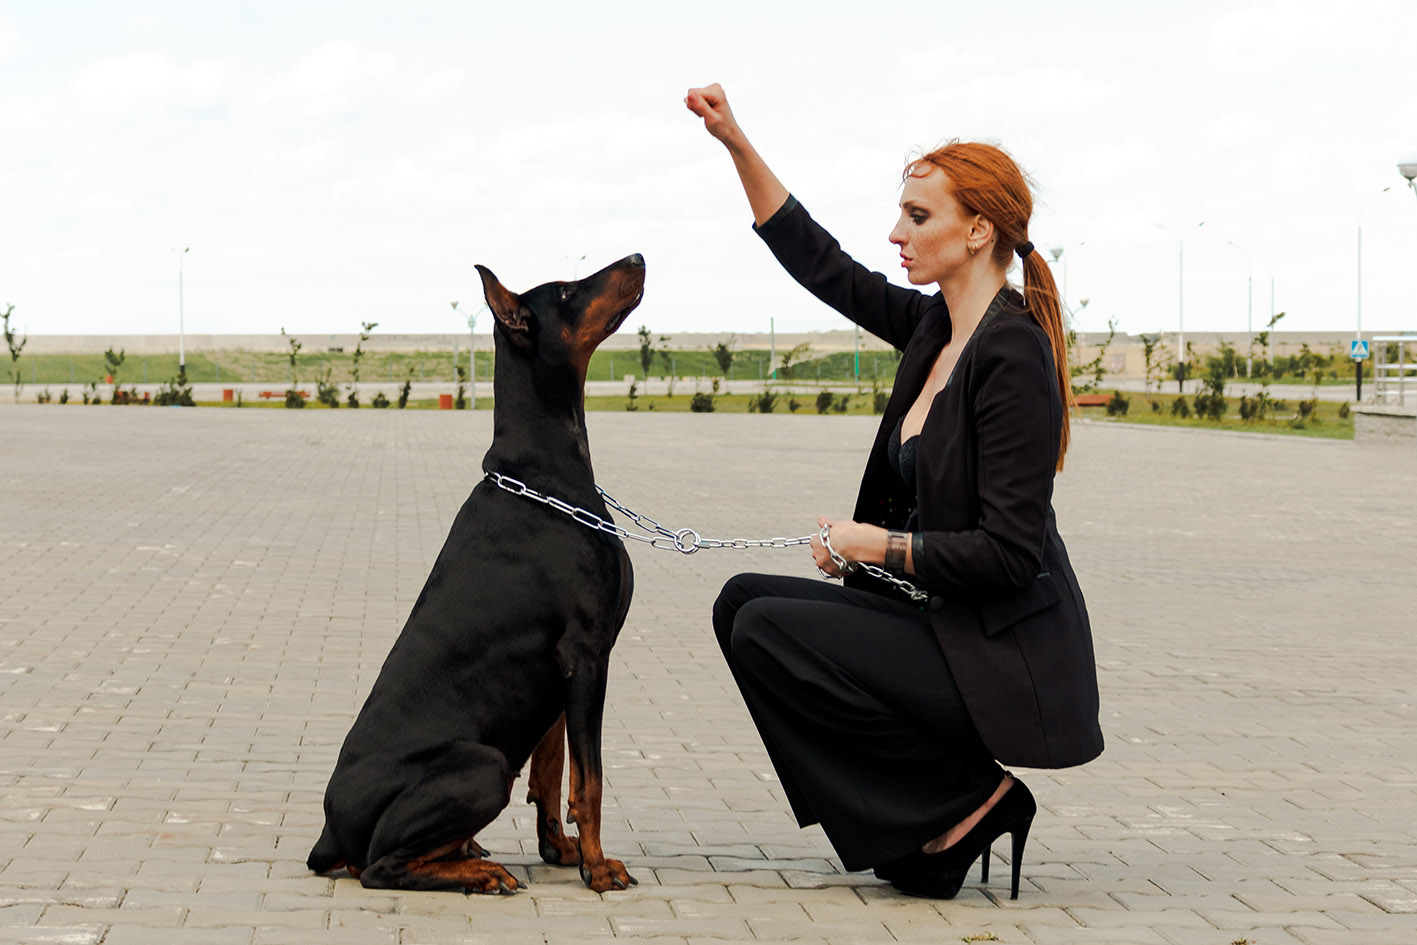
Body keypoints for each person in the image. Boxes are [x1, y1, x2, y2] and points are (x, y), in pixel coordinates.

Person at [687, 83, 1103, 900]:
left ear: (977, 229)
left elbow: (1011, 553)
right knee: (740, 604)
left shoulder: (1010, 355)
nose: (896, 232)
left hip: (1000, 655)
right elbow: (822, 264)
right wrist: (736, 142)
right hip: (939, 622)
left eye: (918, 216)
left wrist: (876, 545)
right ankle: (928, 816)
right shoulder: (934, 329)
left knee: (772, 627)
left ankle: (966, 800)